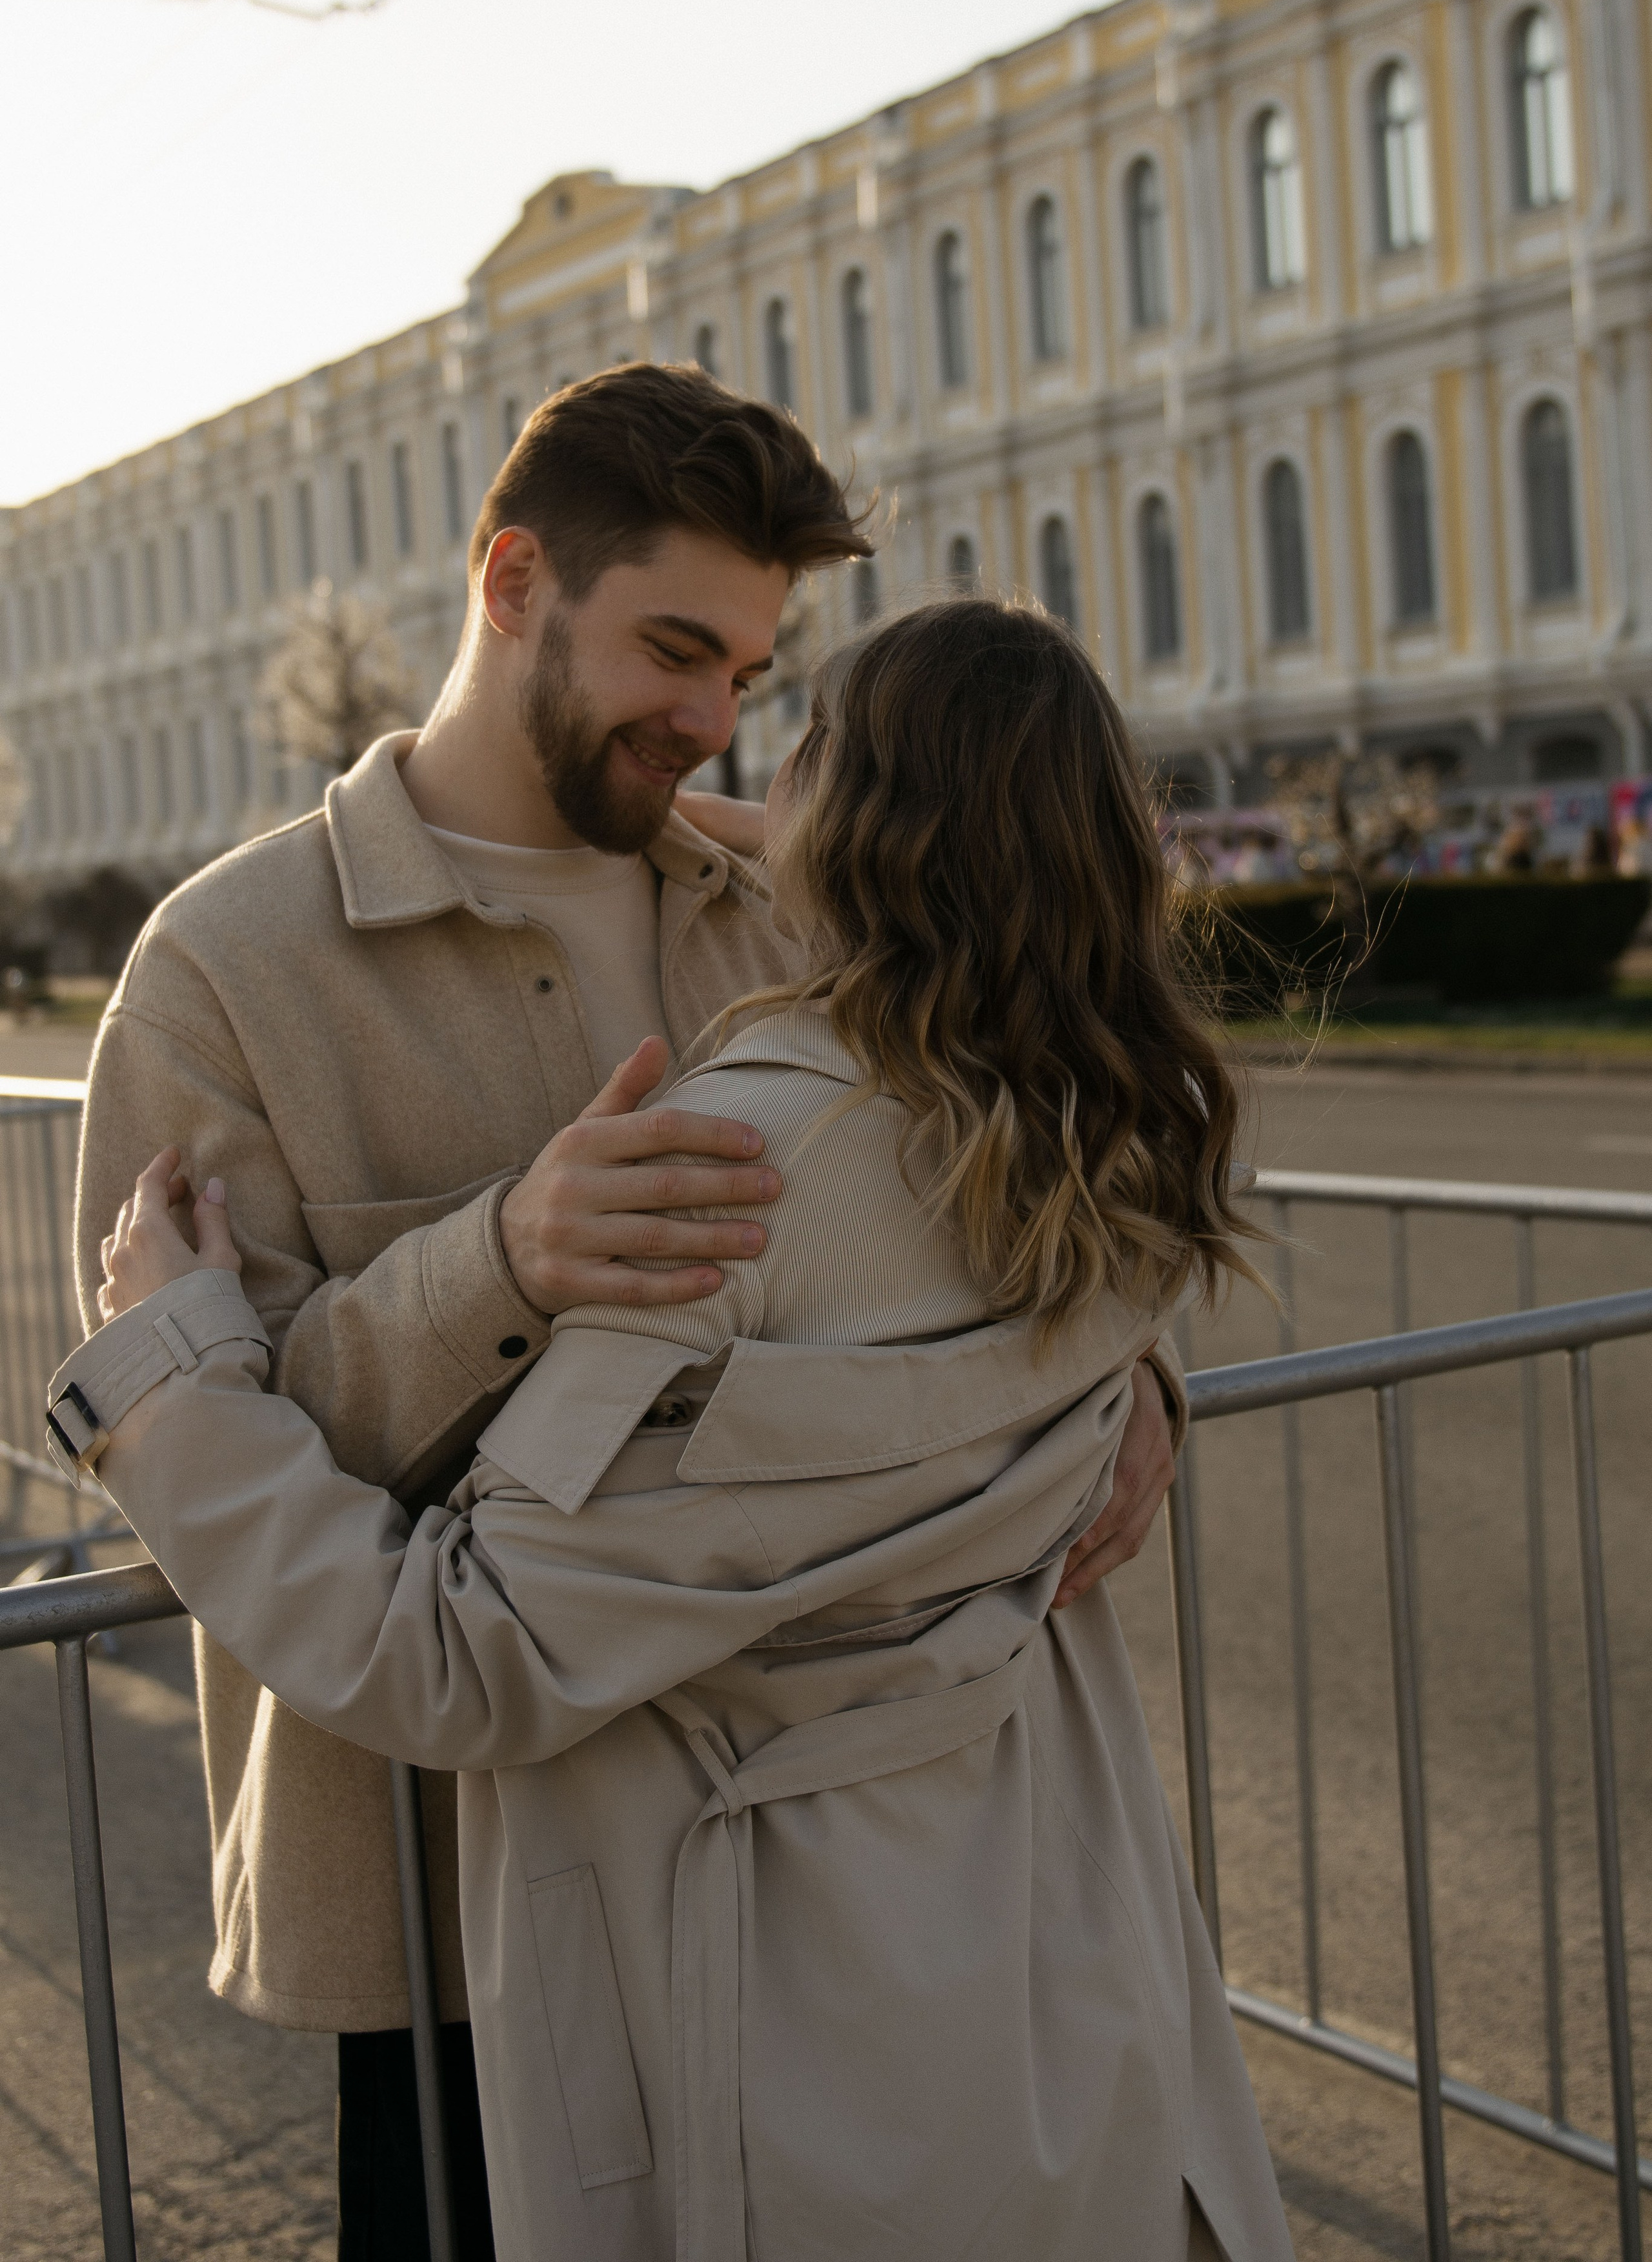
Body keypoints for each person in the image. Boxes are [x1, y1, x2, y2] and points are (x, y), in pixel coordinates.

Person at [69, 367, 1178, 2256]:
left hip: (818, 1874)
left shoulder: (783, 901)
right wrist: (497, 1262)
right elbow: (187, 1429)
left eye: (750, 671)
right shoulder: (222, 970)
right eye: (674, 650)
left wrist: (1131, 1375)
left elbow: (1009, 1143)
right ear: (514, 581)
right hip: (441, 1896)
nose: (715, 720)